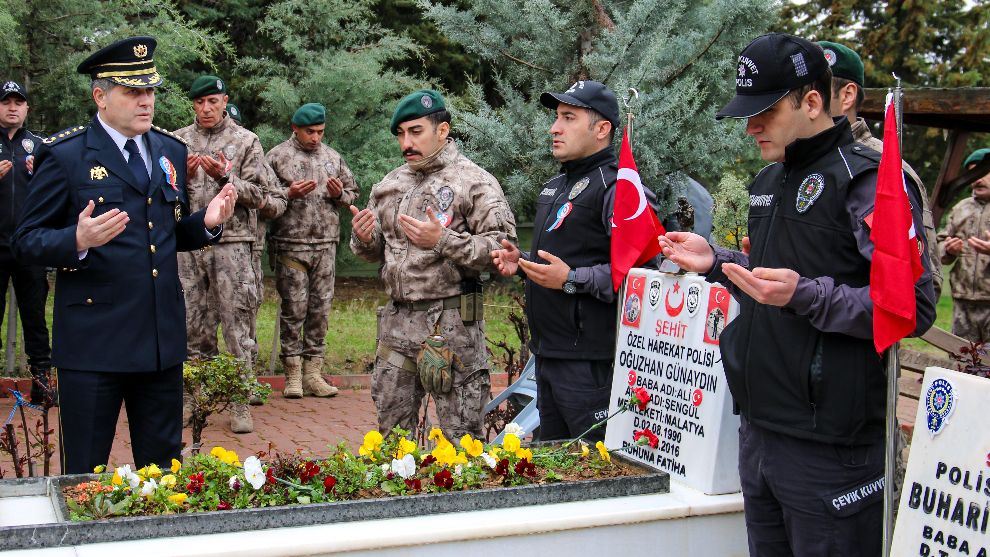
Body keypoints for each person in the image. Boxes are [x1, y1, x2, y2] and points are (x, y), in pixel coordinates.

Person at [658, 33, 936, 556]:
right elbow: (773, 280)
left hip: (831, 447)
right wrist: (717, 260)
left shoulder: (869, 181)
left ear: (812, 102)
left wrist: (807, 295)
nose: (751, 126)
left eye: (765, 110)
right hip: (761, 430)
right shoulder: (769, 178)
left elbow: (912, 307)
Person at [12, 36, 237, 473]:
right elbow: (26, 240)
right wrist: (76, 240)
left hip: (159, 340)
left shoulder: (169, 149)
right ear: (101, 96)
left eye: (150, 90)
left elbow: (166, 233)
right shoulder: (65, 155)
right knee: (84, 475)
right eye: (133, 92)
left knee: (163, 474)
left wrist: (206, 223)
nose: (145, 101)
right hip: (95, 343)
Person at [350, 90, 516, 439]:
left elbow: (503, 249)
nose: (406, 143)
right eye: (400, 134)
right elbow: (377, 252)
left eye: (415, 131)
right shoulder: (390, 184)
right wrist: (365, 239)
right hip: (397, 325)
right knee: (392, 442)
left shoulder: (474, 182)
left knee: (462, 440)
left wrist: (441, 240)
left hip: (451, 326)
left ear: (442, 130)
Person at [491, 80, 637, 443]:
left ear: (602, 129)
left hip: (590, 364)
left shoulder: (617, 188)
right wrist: (522, 261)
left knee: (595, 473)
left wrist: (571, 279)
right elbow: (563, 261)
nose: (554, 128)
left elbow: (637, 274)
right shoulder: (555, 185)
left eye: (568, 118)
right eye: (556, 117)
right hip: (548, 357)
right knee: (553, 469)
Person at [175, 75, 286, 434]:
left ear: (224, 101)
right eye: (199, 103)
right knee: (192, 323)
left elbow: (268, 198)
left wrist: (228, 179)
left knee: (237, 325)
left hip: (233, 246)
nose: (205, 109)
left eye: (212, 101)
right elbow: (159, 196)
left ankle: (240, 399)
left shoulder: (245, 141)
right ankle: (195, 396)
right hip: (188, 245)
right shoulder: (177, 141)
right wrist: (179, 176)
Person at [819, 39, 943, 297]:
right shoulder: (793, 164)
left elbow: (922, 282)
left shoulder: (886, 168)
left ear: (846, 96)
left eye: (814, 91)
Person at [267, 103, 358, 399]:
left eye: (320, 132)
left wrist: (339, 194)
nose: (315, 138)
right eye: (310, 132)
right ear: (295, 128)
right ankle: (292, 374)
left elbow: (352, 193)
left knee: (320, 309)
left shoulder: (333, 158)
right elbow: (262, 197)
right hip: (291, 245)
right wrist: (288, 193)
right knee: (294, 309)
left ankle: (313, 374)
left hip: (325, 245)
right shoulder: (277, 157)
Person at [0, 80, 51, 404]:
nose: (13, 107)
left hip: (30, 245)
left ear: (27, 109)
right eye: (6, 102)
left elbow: (55, 196)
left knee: (34, 317)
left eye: (19, 102)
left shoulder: (40, 146)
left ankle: (42, 384)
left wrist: (42, 174)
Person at [937, 148, 990, 343]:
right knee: (962, 361)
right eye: (972, 173)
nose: (977, 179)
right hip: (963, 302)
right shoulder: (961, 208)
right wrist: (949, 250)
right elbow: (939, 246)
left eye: (982, 173)